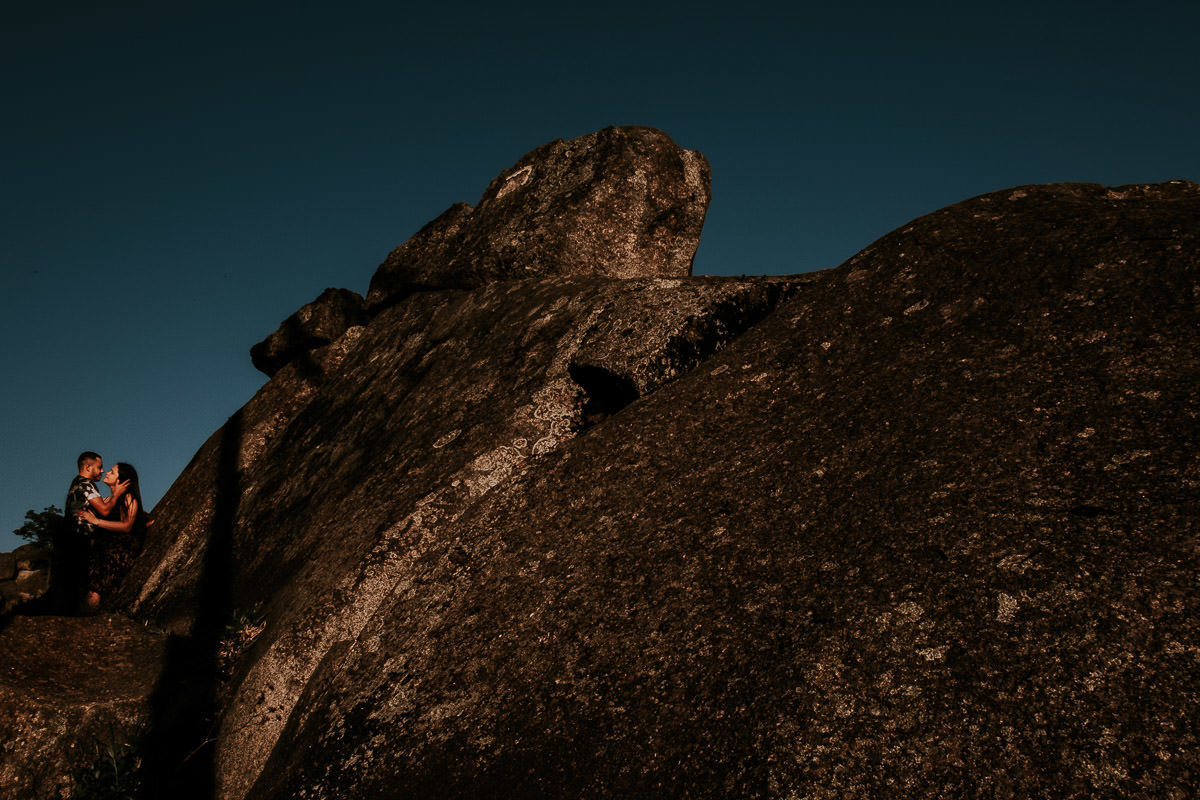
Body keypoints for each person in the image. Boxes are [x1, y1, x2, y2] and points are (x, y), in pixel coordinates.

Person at [58, 451, 128, 613]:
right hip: (82, 539)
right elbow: (103, 511)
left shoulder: (77, 484)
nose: (102, 471)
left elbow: (95, 508)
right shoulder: (85, 484)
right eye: (100, 467)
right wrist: (116, 493)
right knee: (90, 584)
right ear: (88, 467)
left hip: (73, 539)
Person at [79, 462, 147, 605]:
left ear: (121, 479)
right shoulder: (106, 501)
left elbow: (127, 526)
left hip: (118, 550)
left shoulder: (128, 497)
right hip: (101, 548)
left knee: (95, 587)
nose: (107, 473)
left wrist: (97, 521)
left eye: (112, 471)